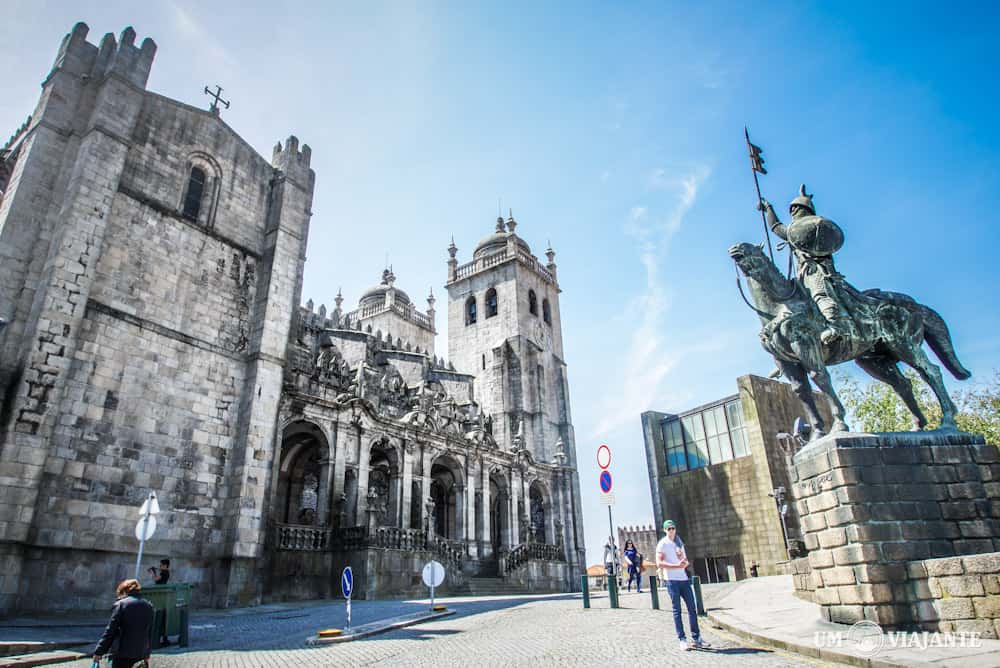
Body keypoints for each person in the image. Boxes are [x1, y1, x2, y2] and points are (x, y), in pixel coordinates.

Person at [656, 520, 709, 651]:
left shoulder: (679, 543)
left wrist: (684, 563)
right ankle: (682, 639)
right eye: (668, 529)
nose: (671, 530)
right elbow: (659, 563)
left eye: (673, 528)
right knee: (677, 610)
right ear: (665, 530)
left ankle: (696, 638)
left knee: (692, 608)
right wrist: (675, 566)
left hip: (684, 579)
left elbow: (685, 560)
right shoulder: (662, 544)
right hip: (672, 580)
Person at [93, 579, 154, 668]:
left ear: (124, 591)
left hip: (122, 653)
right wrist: (147, 652)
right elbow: (150, 632)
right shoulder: (148, 606)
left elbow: (111, 631)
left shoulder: (121, 605)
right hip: (141, 653)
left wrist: (99, 651)